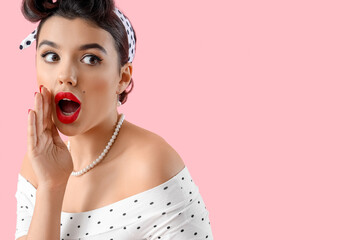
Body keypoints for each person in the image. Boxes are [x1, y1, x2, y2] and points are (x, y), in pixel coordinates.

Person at [14, 0, 214, 239]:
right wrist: (51, 186)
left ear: (122, 77)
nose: (66, 75)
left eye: (90, 59)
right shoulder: (38, 163)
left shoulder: (152, 164)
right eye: (51, 55)